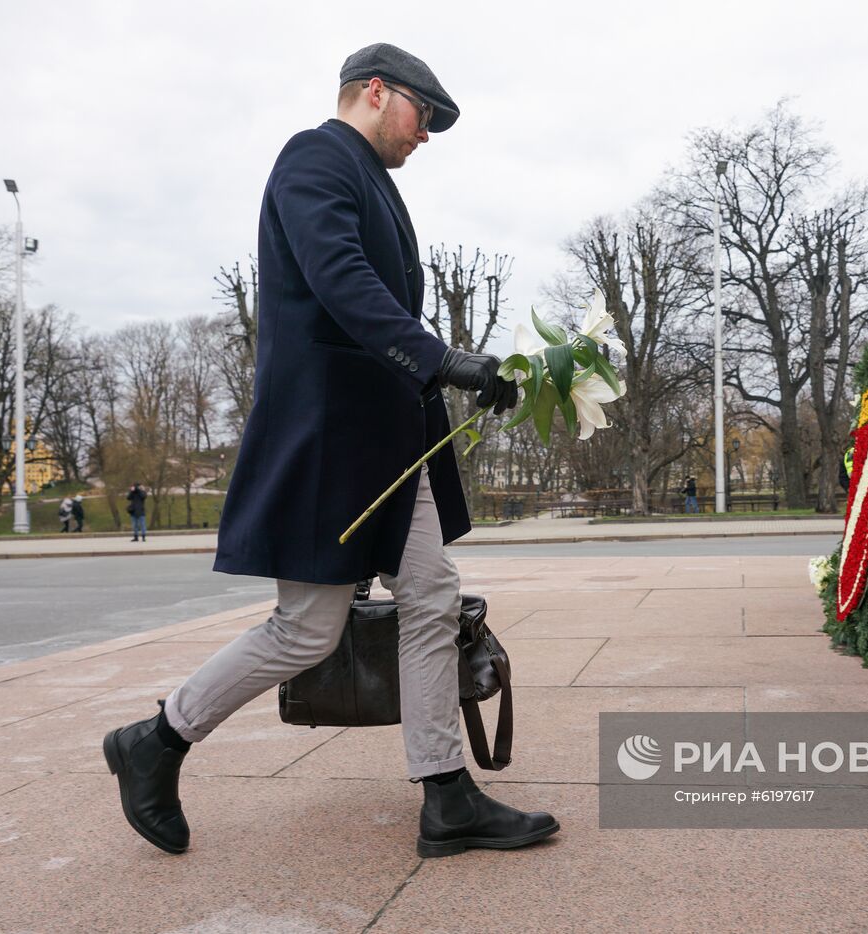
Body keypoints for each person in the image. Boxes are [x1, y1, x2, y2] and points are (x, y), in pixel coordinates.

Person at [102, 43, 554, 861]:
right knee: (308, 632)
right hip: (333, 440)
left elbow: (372, 296)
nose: (429, 135)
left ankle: (446, 796)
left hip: (389, 441)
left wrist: (460, 368)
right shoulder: (315, 156)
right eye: (425, 115)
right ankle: (156, 738)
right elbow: (341, 278)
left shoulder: (372, 180)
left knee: (431, 598)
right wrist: (441, 359)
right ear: (375, 92)